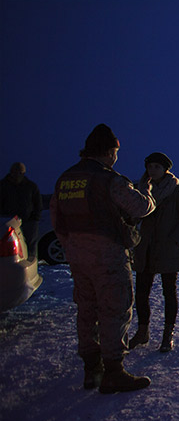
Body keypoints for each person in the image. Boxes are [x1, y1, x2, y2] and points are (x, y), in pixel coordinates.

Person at [50, 124, 156, 393]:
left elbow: (57, 220)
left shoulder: (65, 179)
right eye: (116, 152)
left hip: (77, 257)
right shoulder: (108, 179)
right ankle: (113, 372)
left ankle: (91, 369)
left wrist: (73, 247)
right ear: (110, 151)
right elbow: (141, 207)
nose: (116, 157)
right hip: (107, 256)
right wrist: (148, 193)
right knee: (114, 309)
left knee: (86, 311)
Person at [129, 152, 179, 353]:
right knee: (141, 292)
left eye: (157, 167)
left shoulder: (176, 190)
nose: (152, 170)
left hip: (167, 249)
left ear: (165, 169)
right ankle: (142, 332)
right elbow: (133, 215)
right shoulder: (141, 190)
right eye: (150, 167)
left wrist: (174, 239)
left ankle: (168, 334)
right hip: (145, 248)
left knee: (169, 292)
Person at [0, 162, 43, 260]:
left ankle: (31, 263)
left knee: (30, 244)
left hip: (28, 221)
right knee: (11, 246)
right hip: (8, 221)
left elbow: (37, 203)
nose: (17, 175)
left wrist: (35, 218)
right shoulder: (3, 186)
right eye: (15, 172)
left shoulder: (31, 186)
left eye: (20, 173)